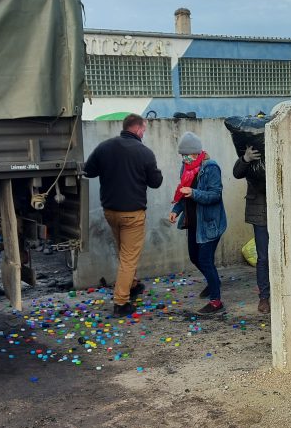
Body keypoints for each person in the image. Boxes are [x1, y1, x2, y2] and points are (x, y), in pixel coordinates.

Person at [83, 113, 164, 316]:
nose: (144, 133)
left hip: (111, 212)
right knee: (128, 257)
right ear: (136, 128)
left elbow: (88, 171)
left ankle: (133, 284)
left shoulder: (104, 147)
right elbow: (156, 182)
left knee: (124, 252)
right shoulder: (144, 152)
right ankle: (121, 302)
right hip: (132, 214)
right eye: (143, 129)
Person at [169, 132, 228, 314]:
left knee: (205, 260)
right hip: (193, 222)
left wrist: (194, 193)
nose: (184, 158)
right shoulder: (186, 168)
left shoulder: (210, 167)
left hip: (210, 223)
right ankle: (213, 281)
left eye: (186, 154)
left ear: (196, 152)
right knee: (194, 257)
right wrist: (176, 210)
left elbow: (215, 195)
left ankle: (216, 301)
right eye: (182, 155)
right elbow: (183, 193)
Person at [233, 144, 270, 314]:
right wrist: (245, 158)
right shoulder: (253, 154)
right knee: (263, 258)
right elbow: (237, 173)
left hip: (281, 210)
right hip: (259, 212)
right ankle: (264, 297)